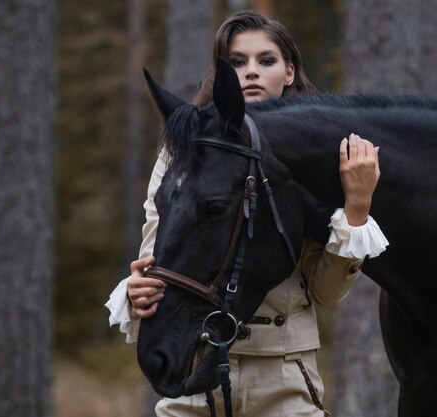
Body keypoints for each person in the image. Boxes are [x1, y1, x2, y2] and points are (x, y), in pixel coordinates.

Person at [105, 10, 389, 417]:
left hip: (285, 380)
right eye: (237, 62)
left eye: (266, 60)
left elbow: (325, 293)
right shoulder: (183, 153)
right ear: (220, 75)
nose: (251, 72)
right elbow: (158, 261)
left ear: (289, 72)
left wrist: (357, 209)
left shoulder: (311, 157)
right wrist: (137, 291)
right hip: (195, 375)